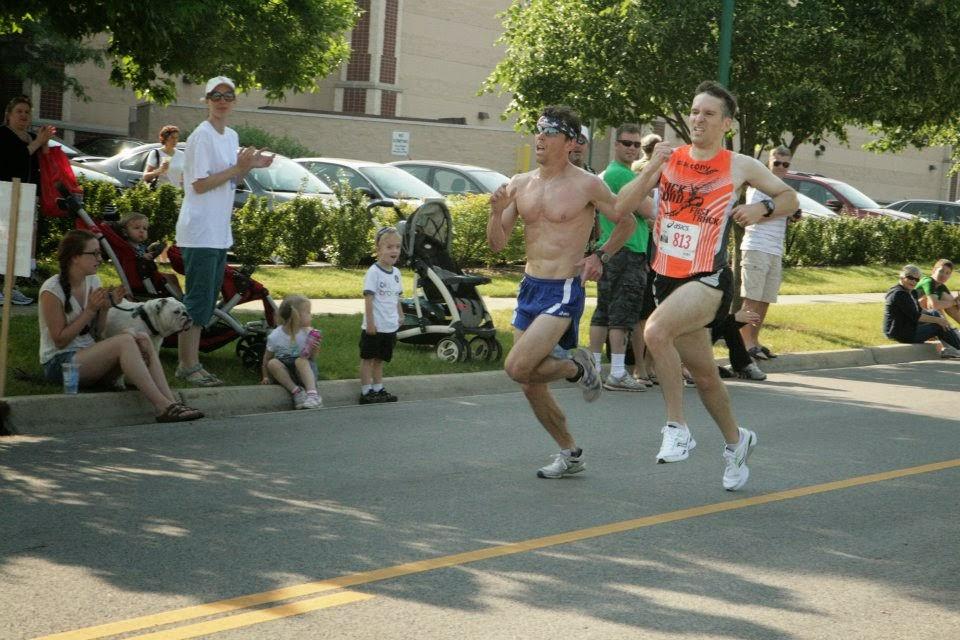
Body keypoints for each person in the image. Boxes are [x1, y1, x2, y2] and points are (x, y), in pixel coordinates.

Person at [617, 81, 798, 491]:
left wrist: (762, 207)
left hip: (708, 279)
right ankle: (737, 441)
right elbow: (621, 206)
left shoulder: (740, 165)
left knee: (655, 331)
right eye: (695, 111)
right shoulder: (669, 158)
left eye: (709, 113)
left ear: (726, 124)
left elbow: (790, 198)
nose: (698, 119)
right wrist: (651, 169)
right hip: (666, 279)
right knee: (705, 377)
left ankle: (677, 427)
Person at [487, 105, 636, 479]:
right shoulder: (520, 183)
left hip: (564, 287)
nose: (540, 137)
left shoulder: (586, 184)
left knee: (516, 367)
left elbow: (627, 223)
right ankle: (570, 453)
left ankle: (577, 366)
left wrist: (600, 254)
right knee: (529, 382)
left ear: (571, 142)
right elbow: (498, 244)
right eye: (538, 130)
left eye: (550, 132)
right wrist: (495, 212)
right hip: (530, 287)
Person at [38, 230, 202, 422]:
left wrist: (105, 309)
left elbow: (97, 334)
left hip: (88, 360)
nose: (100, 258)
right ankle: (162, 407)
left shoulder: (92, 280)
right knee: (124, 341)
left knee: (142, 338)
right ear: (75, 257)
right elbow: (60, 341)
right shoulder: (52, 290)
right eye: (94, 254)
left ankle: (172, 402)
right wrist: (90, 311)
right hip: (60, 365)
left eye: (100, 253)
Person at [175, 75, 273, 387]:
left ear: (234, 101)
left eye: (227, 96)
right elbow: (199, 184)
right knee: (197, 300)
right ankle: (187, 366)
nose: (221, 101)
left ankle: (192, 364)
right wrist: (237, 168)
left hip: (218, 232)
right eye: (215, 96)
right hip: (200, 231)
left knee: (207, 302)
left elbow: (231, 180)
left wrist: (249, 167)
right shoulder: (201, 136)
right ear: (206, 100)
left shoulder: (231, 136)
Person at [588, 123, 650, 392]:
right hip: (627, 250)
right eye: (627, 143)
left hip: (609, 250)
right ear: (616, 144)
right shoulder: (622, 175)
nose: (632, 149)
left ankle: (593, 367)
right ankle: (616, 372)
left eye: (637, 144)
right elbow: (649, 209)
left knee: (603, 311)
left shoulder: (610, 173)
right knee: (621, 315)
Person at [738, 145, 797, 361]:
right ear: (769, 163)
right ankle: (744, 343)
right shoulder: (759, 186)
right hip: (756, 247)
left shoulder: (783, 191)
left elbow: (782, 211)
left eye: (785, 164)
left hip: (774, 249)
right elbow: (753, 216)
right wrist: (784, 210)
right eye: (776, 163)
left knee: (765, 299)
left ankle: (754, 340)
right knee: (752, 298)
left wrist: (790, 214)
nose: (780, 167)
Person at [0, 95, 56, 306]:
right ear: (9, 115)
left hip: (27, 193)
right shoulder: (3, 134)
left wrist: (45, 142)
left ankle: (11, 287)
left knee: (20, 243)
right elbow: (16, 159)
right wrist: (38, 142)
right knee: (2, 240)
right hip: (5, 191)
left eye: (27, 112)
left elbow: (43, 161)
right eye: (19, 111)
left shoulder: (32, 136)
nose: (23, 115)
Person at [359, 226, 405, 404]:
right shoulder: (374, 272)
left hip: (389, 326)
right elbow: (368, 299)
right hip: (375, 326)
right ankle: (366, 391)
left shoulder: (397, 273)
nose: (394, 251)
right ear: (378, 250)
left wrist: (400, 314)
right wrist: (370, 323)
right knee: (368, 359)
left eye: (398, 247)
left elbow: (396, 297)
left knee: (380, 359)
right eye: (389, 247)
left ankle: (378, 388)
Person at [261, 294, 323, 409]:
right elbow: (267, 358)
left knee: (301, 360)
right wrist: (265, 376)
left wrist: (315, 349)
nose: (311, 316)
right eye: (308, 312)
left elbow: (313, 359)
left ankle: (313, 395)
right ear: (297, 316)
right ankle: (297, 392)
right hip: (286, 375)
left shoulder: (308, 333)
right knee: (272, 362)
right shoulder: (275, 336)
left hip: (305, 373)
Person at [883, 264, 960, 357]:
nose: (913, 281)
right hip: (899, 333)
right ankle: (955, 345)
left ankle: (951, 347)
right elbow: (916, 316)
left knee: (934, 312)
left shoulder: (912, 292)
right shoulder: (898, 294)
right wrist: (939, 320)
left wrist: (938, 318)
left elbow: (919, 311)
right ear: (902, 277)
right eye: (910, 278)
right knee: (938, 326)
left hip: (908, 326)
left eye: (917, 279)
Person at [118, 212, 183, 297]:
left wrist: (150, 251)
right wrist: (143, 256)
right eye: (136, 228)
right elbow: (133, 259)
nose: (141, 231)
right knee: (170, 278)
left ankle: (180, 297)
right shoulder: (127, 247)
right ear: (125, 232)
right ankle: (179, 298)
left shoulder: (139, 246)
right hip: (140, 278)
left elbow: (141, 253)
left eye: (145, 229)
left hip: (146, 274)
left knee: (172, 277)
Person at [915, 259, 960, 327]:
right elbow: (934, 305)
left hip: (924, 314)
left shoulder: (941, 286)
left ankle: (948, 328)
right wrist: (954, 302)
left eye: (947, 273)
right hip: (912, 315)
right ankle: (947, 328)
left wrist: (957, 301)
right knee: (933, 300)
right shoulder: (928, 281)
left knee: (946, 300)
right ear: (934, 270)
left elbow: (952, 303)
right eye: (941, 271)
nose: (943, 275)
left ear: (949, 276)